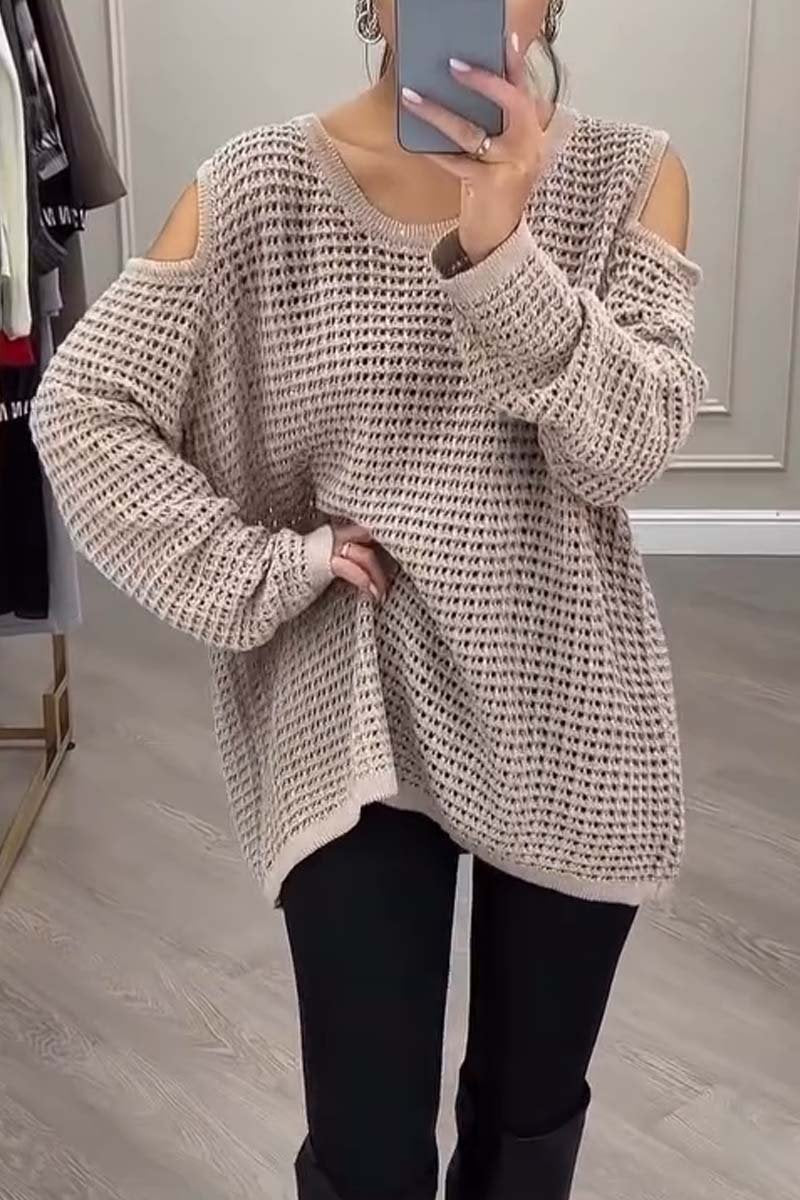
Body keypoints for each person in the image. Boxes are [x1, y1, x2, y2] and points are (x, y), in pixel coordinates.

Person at [30, 1, 709, 1197]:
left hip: (566, 703)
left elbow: (622, 453)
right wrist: (264, 565)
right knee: (367, 1150)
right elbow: (85, 410)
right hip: (348, 703)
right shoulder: (261, 186)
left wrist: (500, 248)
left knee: (527, 1121)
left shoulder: (629, 175)